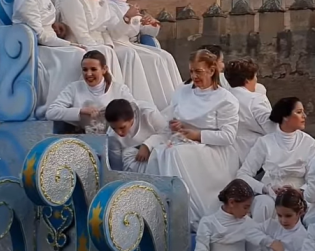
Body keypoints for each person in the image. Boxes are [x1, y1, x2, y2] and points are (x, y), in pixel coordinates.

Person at [146, 49, 239, 229]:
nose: (194, 76)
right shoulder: (182, 92)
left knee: (174, 154)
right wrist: (175, 125)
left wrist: (197, 135)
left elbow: (228, 136)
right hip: (182, 142)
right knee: (159, 153)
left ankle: (185, 213)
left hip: (212, 149)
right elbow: (170, 120)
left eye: (199, 71)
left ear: (212, 71)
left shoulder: (226, 99)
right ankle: (163, 210)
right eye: (191, 71)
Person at [12, 0, 85, 116]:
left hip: (48, 43)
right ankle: (56, 107)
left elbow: (44, 23)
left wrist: (54, 26)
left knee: (84, 54)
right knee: (77, 55)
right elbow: (39, 35)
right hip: (35, 49)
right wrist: (69, 43)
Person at [105, 0, 181, 109]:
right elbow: (114, 33)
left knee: (165, 56)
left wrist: (152, 23)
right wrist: (127, 17)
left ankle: (175, 103)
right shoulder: (106, 5)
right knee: (154, 59)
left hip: (129, 44)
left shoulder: (130, 7)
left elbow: (144, 30)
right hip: (116, 44)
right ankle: (151, 105)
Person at [56, 0, 131, 96]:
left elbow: (109, 31)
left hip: (102, 43)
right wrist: (98, 49)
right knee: (104, 52)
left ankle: (117, 96)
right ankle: (105, 97)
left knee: (113, 51)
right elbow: (80, 33)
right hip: (80, 43)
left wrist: (125, 20)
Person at [237, 97, 315, 223]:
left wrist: (300, 191)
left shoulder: (310, 143)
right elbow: (243, 174)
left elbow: (314, 178)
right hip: (271, 194)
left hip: (299, 196)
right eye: (299, 112)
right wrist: (266, 189)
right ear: (285, 117)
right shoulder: (265, 142)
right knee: (263, 204)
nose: (304, 116)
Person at [191, 179, 270, 251]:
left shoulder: (249, 224)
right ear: (232, 202)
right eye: (245, 207)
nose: (248, 212)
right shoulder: (208, 222)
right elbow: (202, 245)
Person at [45, 50, 130, 134]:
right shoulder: (74, 88)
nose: (88, 74)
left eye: (93, 69)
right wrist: (81, 111)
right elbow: (51, 112)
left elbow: (134, 110)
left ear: (104, 69)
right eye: (85, 70)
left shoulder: (120, 90)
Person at [224, 58, 274, 163]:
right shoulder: (255, 99)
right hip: (258, 156)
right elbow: (272, 129)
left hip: (229, 156)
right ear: (247, 80)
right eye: (255, 76)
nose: (256, 80)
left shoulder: (221, 99)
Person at [105, 98, 167, 172]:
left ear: (132, 119)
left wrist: (147, 145)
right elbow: (117, 167)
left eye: (122, 127)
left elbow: (166, 133)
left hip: (159, 151)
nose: (119, 132)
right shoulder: (112, 136)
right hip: (134, 161)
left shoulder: (148, 112)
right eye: (114, 128)